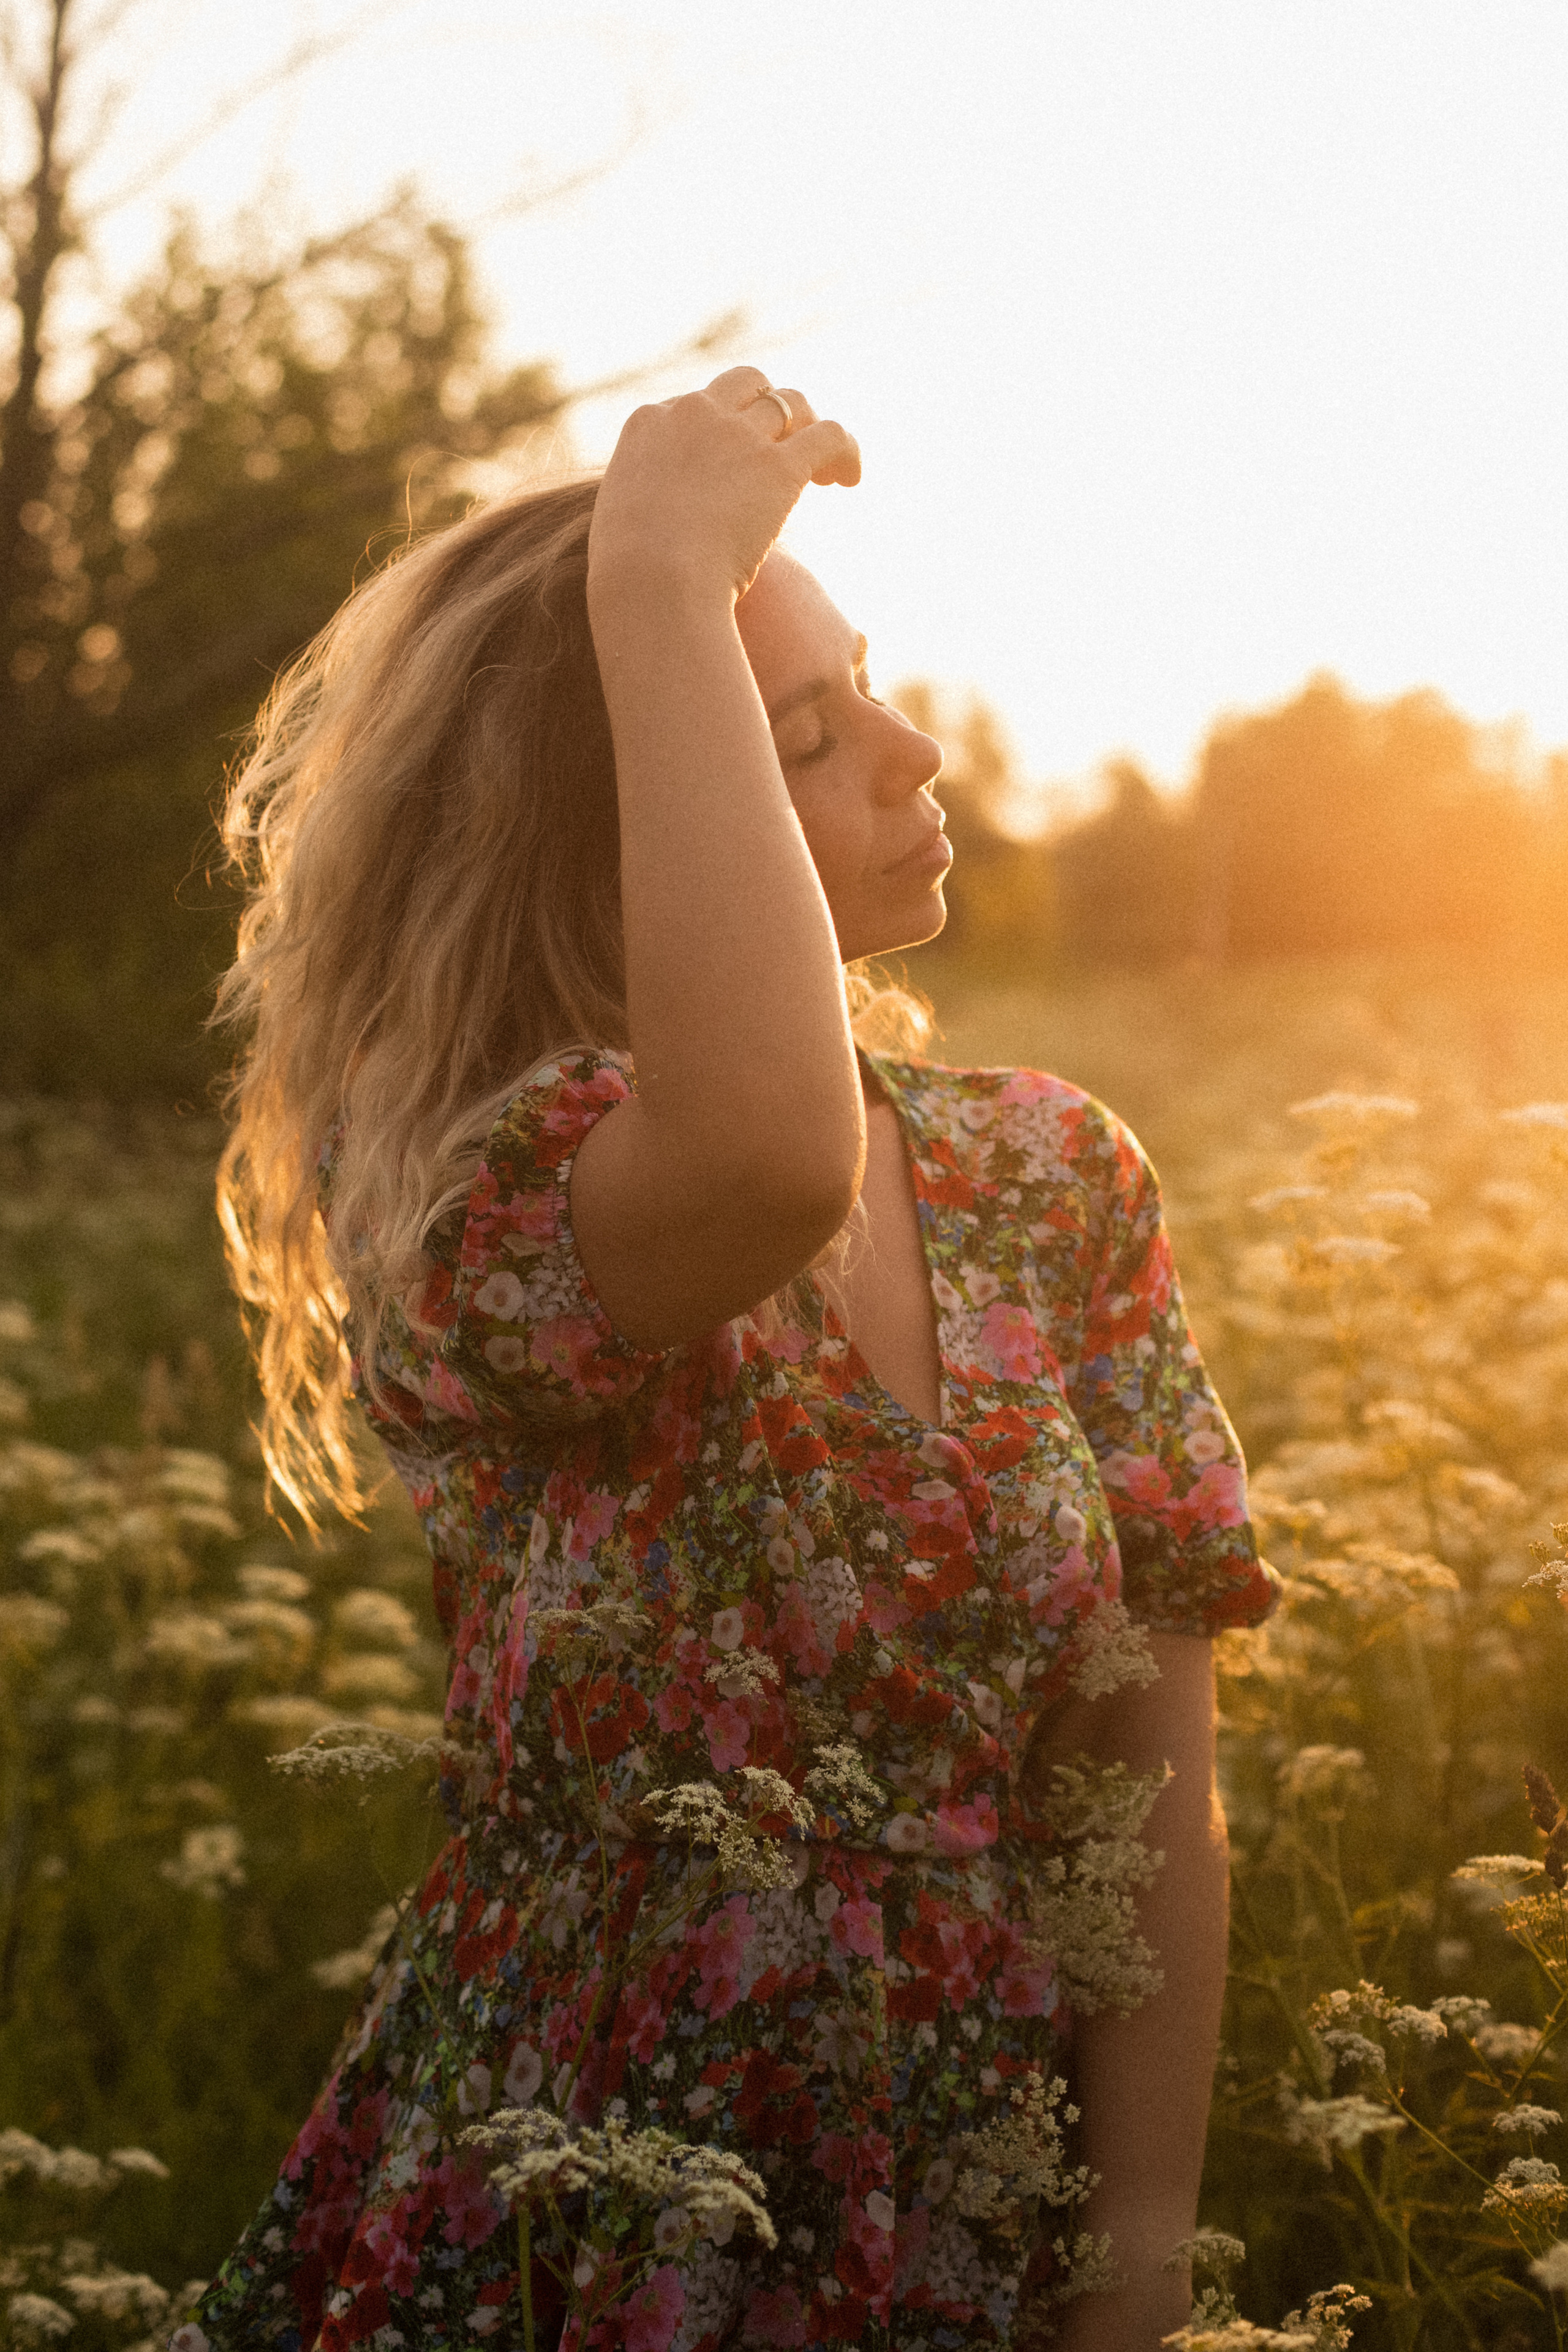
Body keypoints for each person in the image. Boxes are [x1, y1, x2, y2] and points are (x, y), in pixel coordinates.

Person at [185, 368, 1276, 2352]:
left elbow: (1149, 1789)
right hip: (588, 2205)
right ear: (630, 810)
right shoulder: (478, 1185)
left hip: (973, 2195)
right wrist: (657, 586)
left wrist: (1137, 2272)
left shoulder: (1049, 1177)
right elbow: (769, 1149)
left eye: (871, 689)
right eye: (806, 731)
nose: (914, 750)